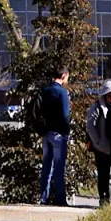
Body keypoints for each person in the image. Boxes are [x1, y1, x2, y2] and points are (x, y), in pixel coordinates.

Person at [39, 66, 70, 206]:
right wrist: (67, 131)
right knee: (58, 166)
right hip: (59, 133)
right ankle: (60, 198)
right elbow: (65, 115)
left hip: (46, 132)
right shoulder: (62, 93)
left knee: (46, 166)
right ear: (63, 76)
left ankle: (43, 197)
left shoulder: (45, 91)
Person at [86, 80, 111, 206]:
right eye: (109, 95)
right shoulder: (96, 107)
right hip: (101, 148)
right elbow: (90, 127)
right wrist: (97, 143)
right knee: (103, 175)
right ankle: (104, 199)